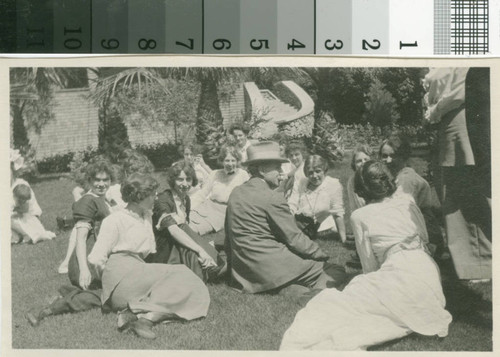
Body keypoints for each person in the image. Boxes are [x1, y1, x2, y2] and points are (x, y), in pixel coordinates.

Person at [280, 161, 452, 351]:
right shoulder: (408, 202)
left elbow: (369, 266)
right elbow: (425, 239)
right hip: (427, 271)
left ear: (360, 191)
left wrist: (371, 283)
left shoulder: (361, 215)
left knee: (337, 307)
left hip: (400, 270)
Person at [88, 173, 210, 340]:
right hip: (120, 276)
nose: (156, 197)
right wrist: (108, 283)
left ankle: (143, 318)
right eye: (152, 194)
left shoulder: (146, 216)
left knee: (185, 280)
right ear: (140, 196)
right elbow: (95, 258)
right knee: (181, 273)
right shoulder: (115, 219)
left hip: (137, 271)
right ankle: (139, 314)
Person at [225, 141, 346, 294]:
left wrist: (232, 270)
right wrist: (320, 254)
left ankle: (283, 288)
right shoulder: (272, 197)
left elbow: (229, 236)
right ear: (262, 170)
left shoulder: (236, 192)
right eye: (277, 167)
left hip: (243, 270)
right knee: (335, 270)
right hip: (271, 265)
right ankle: (312, 294)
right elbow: (294, 238)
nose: (282, 172)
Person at [26, 160, 113, 326]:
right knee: (105, 295)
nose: (102, 184)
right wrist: (85, 270)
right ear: (89, 180)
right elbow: (80, 239)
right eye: (97, 180)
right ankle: (48, 310)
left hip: (96, 259)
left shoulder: (101, 199)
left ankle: (64, 293)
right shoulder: (88, 202)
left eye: (106, 180)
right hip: (86, 261)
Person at [424, 67, 491, 280]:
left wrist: (432, 110)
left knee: (463, 193)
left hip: (461, 116)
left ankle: (481, 263)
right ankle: (476, 261)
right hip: (462, 116)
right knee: (462, 190)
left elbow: (447, 85)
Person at [148, 161, 222, 282]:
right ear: (172, 180)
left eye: (188, 179)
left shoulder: (186, 199)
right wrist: (200, 249)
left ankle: (211, 264)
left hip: (178, 242)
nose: (185, 184)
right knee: (184, 230)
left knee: (188, 234)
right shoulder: (163, 199)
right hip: (163, 248)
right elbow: (174, 231)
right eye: (180, 179)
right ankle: (210, 265)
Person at [189, 146, 249, 236]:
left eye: (233, 160)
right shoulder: (215, 173)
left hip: (223, 213)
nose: (230, 164)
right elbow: (202, 194)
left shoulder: (243, 175)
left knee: (192, 230)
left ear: (237, 161)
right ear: (222, 161)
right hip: (206, 207)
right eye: (227, 160)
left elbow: (248, 198)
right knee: (183, 224)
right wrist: (189, 208)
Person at [288, 155, 347, 242]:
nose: (314, 176)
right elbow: (292, 204)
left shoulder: (333, 184)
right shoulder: (301, 183)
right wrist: (289, 224)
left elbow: (337, 212)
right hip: (297, 222)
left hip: (317, 226)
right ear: (306, 173)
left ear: (324, 170)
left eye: (318, 171)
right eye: (310, 172)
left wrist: (343, 239)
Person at [346, 145, 372, 213]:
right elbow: (353, 208)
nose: (363, 163)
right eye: (359, 161)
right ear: (354, 164)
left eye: (366, 159)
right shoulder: (352, 181)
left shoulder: (377, 177)